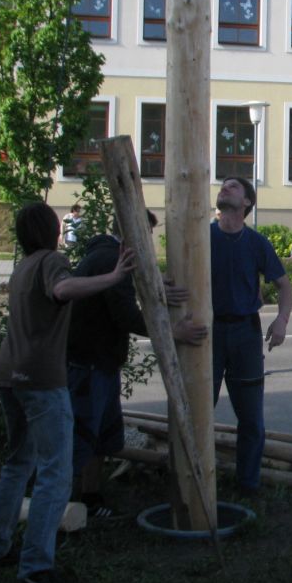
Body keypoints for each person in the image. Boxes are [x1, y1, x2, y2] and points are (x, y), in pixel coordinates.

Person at [0, 202, 136, 583]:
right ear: (53, 231)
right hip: (41, 379)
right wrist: (114, 276)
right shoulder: (52, 261)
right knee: (55, 474)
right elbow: (63, 289)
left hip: (9, 375)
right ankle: (36, 569)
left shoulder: (22, 267)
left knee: (18, 464)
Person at [65, 210, 206, 519]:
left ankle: (90, 498)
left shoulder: (109, 255)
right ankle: (58, 511)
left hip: (98, 363)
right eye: (148, 235)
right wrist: (172, 332)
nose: (150, 243)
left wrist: (154, 288)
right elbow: (126, 315)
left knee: (98, 438)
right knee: (82, 438)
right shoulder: (109, 259)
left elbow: (123, 293)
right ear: (134, 232)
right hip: (89, 365)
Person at [211, 177, 292, 494]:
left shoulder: (256, 243)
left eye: (233, 186)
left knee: (250, 419)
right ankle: (198, 483)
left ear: (246, 202)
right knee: (198, 412)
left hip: (245, 333)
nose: (224, 187)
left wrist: (282, 321)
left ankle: (247, 486)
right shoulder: (202, 237)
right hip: (207, 333)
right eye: (223, 185)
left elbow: (285, 286)